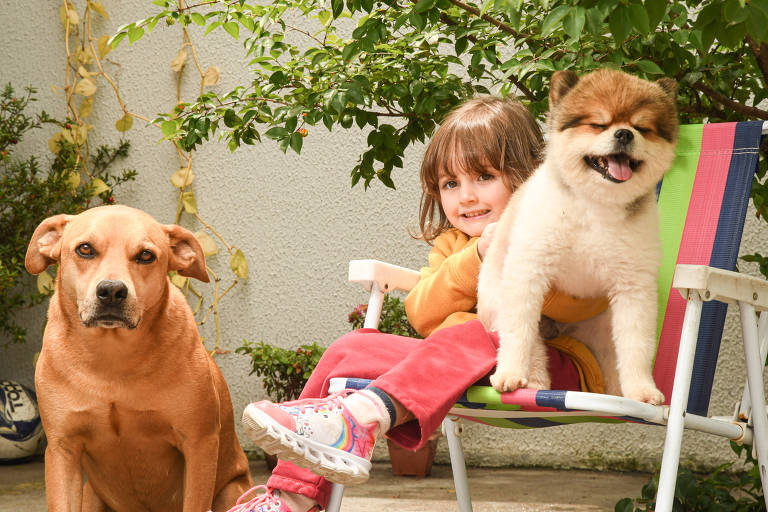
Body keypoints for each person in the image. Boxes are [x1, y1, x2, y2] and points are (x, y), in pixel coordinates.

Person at [226, 96, 609, 512]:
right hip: (454, 368)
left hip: (554, 366)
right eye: (450, 184)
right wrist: (478, 255)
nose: (465, 197)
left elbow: (585, 302)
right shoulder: (452, 244)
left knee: (477, 332)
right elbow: (423, 315)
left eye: (483, 176)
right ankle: (289, 498)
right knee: (352, 347)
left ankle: (360, 417)